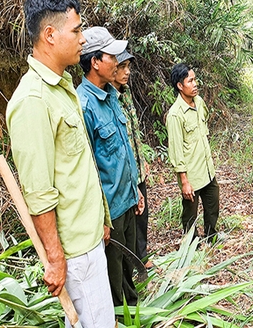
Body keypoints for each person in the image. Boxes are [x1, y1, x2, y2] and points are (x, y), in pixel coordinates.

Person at [6, 0, 115, 327]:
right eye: (77, 30)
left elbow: (77, 166)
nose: (83, 39)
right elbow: (39, 193)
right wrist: (55, 259)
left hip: (89, 239)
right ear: (50, 35)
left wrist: (101, 217)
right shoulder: (32, 102)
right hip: (75, 254)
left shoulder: (62, 87)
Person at [77, 27, 144, 307]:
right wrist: (102, 217)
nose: (117, 62)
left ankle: (133, 308)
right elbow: (88, 168)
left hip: (127, 200)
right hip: (111, 210)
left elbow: (124, 149)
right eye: (111, 56)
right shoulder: (84, 105)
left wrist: (135, 189)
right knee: (113, 273)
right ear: (95, 62)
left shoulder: (112, 95)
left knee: (129, 263)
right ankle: (118, 316)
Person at [166, 64, 223, 243]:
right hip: (191, 175)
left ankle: (211, 235)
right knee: (190, 212)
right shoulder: (175, 115)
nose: (195, 84)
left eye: (195, 79)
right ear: (180, 86)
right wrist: (184, 181)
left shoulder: (199, 102)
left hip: (207, 168)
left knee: (213, 203)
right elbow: (176, 151)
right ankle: (191, 242)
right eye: (190, 81)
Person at [113, 50, 153, 269]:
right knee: (128, 221)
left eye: (128, 66)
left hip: (137, 167)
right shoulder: (109, 97)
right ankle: (134, 265)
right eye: (122, 67)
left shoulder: (126, 92)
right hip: (123, 173)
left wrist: (142, 157)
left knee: (142, 217)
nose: (127, 72)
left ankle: (142, 258)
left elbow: (134, 132)